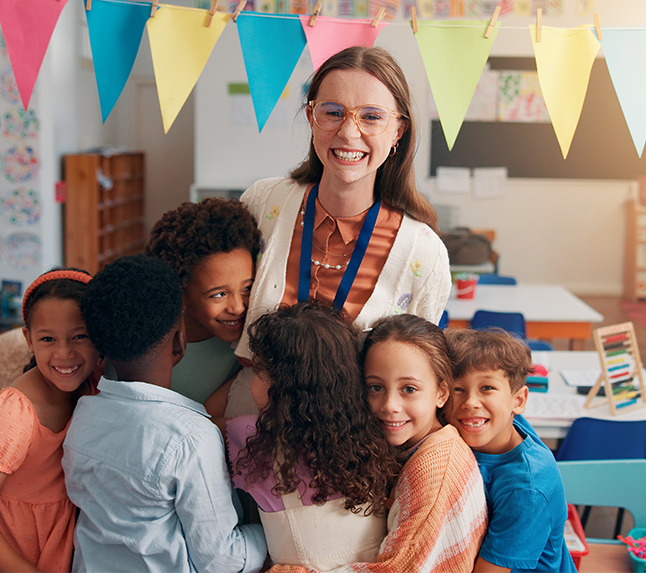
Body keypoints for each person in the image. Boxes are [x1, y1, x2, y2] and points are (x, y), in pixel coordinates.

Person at [229, 46, 451, 415]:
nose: (349, 132)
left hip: (349, 437)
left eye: (372, 117)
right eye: (333, 112)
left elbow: (416, 377)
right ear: (311, 118)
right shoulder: (262, 203)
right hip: (249, 417)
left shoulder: (423, 254)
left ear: (398, 130)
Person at [63, 254, 267, 573]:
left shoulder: (83, 416)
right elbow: (222, 561)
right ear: (179, 341)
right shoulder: (191, 437)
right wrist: (271, 535)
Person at [273, 314, 487, 573]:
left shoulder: (436, 467)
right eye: (375, 387)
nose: (389, 406)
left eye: (409, 389)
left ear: (441, 392)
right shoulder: (415, 446)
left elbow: (401, 569)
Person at [228, 301, 401, 570]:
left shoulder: (247, 435)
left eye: (257, 371)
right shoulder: (376, 438)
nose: (252, 380)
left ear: (282, 386)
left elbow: (199, 418)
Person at [0, 268, 100, 573]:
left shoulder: (96, 387)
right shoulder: (11, 414)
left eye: (80, 336)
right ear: (28, 339)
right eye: (48, 339)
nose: (64, 353)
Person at [444, 328, 576, 573]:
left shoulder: (526, 487)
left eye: (487, 388)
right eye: (457, 389)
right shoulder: (500, 424)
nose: (471, 402)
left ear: (519, 400)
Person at [145, 197, 262, 406]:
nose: (238, 307)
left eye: (247, 288)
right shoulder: (147, 352)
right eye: (218, 294)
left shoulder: (256, 343)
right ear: (181, 293)